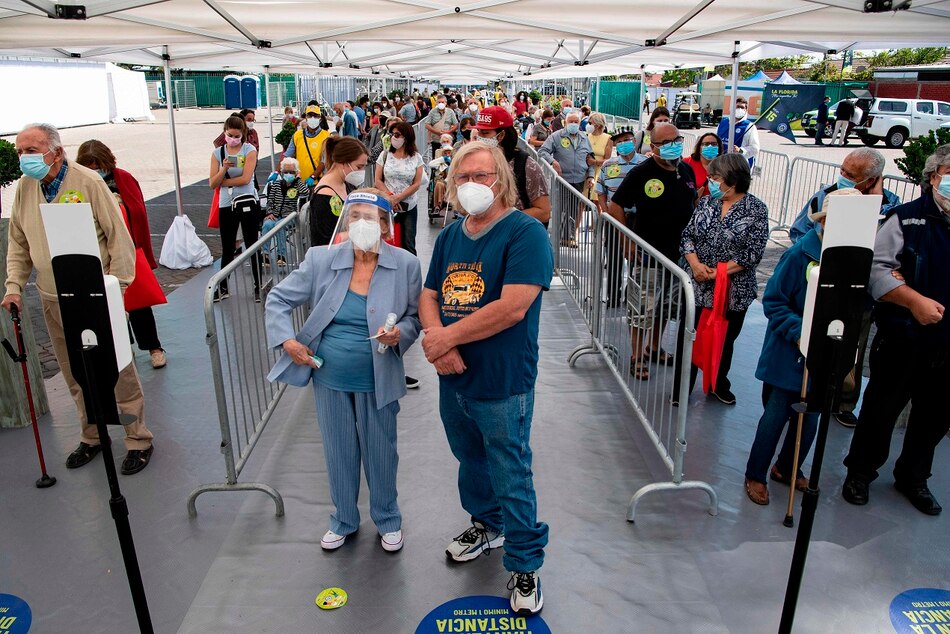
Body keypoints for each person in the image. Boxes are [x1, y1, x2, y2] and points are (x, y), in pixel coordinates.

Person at [419, 142, 553, 615]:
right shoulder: (453, 235)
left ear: (502, 180)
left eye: (482, 175)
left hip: (502, 379)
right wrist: (442, 343)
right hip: (453, 376)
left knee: (509, 467)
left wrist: (441, 338)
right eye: (462, 177)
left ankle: (524, 563)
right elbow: (429, 294)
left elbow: (512, 307)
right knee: (470, 458)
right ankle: (486, 524)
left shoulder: (525, 233)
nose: (471, 185)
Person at [265, 189, 422, 550]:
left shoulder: (406, 265)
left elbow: (415, 316)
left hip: (377, 375)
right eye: (355, 217)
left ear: (385, 225)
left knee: (382, 449)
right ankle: (343, 518)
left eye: (370, 218)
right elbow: (278, 299)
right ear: (345, 221)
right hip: (329, 375)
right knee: (338, 449)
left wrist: (401, 334)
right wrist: (287, 340)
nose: (361, 224)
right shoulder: (322, 259)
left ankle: (387, 518)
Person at [4, 123, 155, 474]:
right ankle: (92, 435)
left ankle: (137, 437)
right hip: (54, 298)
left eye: (31, 150)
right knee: (74, 371)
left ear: (56, 152)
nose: (24, 157)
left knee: (117, 368)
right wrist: (14, 286)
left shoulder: (88, 181)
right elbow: (18, 243)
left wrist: (116, 287)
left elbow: (119, 239)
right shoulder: (26, 188)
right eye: (20, 151)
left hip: (96, 295)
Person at [842, 144, 950, 517]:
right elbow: (875, 270)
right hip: (903, 338)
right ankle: (860, 472)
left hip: (946, 347)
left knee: (933, 418)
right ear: (933, 177)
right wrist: (911, 300)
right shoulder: (905, 219)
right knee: (880, 411)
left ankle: (914, 478)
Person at [743, 189, 861, 504]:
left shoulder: (852, 258)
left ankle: (787, 468)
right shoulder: (799, 255)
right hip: (788, 356)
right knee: (776, 416)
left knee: (809, 419)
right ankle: (756, 474)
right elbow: (774, 301)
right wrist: (800, 331)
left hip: (825, 355)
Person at [674, 153, 769, 406]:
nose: (711, 181)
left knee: (725, 339)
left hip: (733, 290)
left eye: (716, 178)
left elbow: (752, 252)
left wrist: (717, 273)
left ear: (733, 180)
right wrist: (695, 265)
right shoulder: (707, 204)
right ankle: (682, 386)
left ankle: (717, 383)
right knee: (689, 335)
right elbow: (688, 236)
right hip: (698, 285)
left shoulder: (756, 209)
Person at [608, 122, 696, 380]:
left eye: (676, 140)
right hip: (647, 255)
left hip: (679, 257)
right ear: (653, 146)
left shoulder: (686, 170)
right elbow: (616, 207)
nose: (673, 146)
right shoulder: (641, 173)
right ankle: (636, 357)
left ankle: (654, 347)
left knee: (667, 308)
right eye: (666, 143)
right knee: (641, 309)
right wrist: (628, 242)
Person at [75, 139, 167, 369]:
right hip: (98, 256)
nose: (96, 172)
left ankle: (154, 347)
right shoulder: (80, 184)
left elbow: (138, 212)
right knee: (111, 308)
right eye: (90, 167)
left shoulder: (123, 178)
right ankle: (124, 351)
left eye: (99, 166)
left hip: (127, 252)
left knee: (139, 303)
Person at [209, 114, 262, 302]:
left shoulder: (249, 150)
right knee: (228, 247)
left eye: (237, 136)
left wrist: (225, 181)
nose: (233, 139)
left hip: (247, 201)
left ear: (243, 135)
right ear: (224, 133)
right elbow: (212, 182)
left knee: (252, 243)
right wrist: (222, 169)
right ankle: (223, 287)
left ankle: (258, 285)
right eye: (230, 135)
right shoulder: (218, 153)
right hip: (226, 204)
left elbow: (246, 178)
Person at [472, 106, 551, 226]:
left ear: (501, 135)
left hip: (516, 238)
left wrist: (504, 219)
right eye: (479, 132)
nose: (480, 137)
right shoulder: (475, 162)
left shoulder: (526, 166)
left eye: (485, 133)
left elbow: (544, 212)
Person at [596, 127, 647, 306]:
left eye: (627, 139)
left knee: (636, 260)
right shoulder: (608, 165)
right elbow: (600, 191)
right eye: (619, 141)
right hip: (615, 220)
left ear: (634, 140)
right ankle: (613, 296)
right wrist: (606, 212)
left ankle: (631, 296)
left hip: (637, 218)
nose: (623, 143)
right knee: (614, 258)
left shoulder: (644, 163)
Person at [537, 111, 594, 245]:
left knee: (573, 210)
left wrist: (590, 176)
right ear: (565, 123)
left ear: (580, 123)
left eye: (576, 122)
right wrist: (553, 161)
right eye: (571, 121)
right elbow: (542, 151)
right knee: (560, 209)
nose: (573, 124)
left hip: (579, 179)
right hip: (562, 180)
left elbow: (590, 159)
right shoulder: (557, 136)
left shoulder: (584, 138)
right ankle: (554, 237)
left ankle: (568, 237)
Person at [374, 121, 425, 256]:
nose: (394, 138)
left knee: (408, 243)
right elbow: (377, 180)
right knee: (385, 240)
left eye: (397, 134)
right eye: (392, 134)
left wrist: (398, 198)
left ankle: (410, 274)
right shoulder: (384, 156)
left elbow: (416, 183)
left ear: (406, 137)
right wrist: (390, 197)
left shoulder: (416, 158)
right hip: (386, 205)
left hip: (409, 206)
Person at [309, 136, 368, 248]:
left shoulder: (346, 183)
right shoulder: (324, 195)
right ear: (343, 163)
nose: (362, 172)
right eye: (359, 167)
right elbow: (327, 239)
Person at [263, 157, 310, 267]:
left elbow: (306, 193)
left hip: (290, 217)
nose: (288, 174)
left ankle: (281, 256)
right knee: (267, 225)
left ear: (296, 172)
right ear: (282, 172)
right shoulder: (276, 184)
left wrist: (298, 179)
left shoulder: (298, 185)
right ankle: (265, 254)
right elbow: (270, 200)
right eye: (286, 172)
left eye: (292, 172)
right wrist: (269, 213)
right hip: (275, 215)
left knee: (280, 225)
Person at [285, 105, 331, 185]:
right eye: (310, 115)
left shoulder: (326, 136)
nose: (312, 118)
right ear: (306, 117)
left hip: (319, 182)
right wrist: (277, 172)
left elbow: (324, 161)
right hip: (300, 181)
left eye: (315, 116)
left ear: (320, 118)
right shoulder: (297, 135)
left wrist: (313, 177)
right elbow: (287, 156)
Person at [715, 97, 758, 167]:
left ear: (746, 110)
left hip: (739, 166)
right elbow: (714, 140)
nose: (740, 109)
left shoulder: (750, 126)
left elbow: (755, 148)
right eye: (737, 107)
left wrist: (740, 150)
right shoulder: (723, 123)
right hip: (722, 164)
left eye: (742, 107)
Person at [683, 132, 723, 197]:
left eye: (714, 144)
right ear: (699, 148)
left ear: (719, 147)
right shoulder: (687, 162)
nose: (710, 146)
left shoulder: (725, 165)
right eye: (706, 144)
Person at [585, 113, 612, 202]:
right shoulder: (587, 136)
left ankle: (597, 216)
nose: (588, 125)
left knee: (597, 201)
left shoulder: (608, 138)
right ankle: (579, 216)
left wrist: (594, 162)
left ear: (598, 125)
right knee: (582, 200)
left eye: (590, 123)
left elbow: (608, 160)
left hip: (600, 172)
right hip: (587, 170)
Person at [425, 94, 459, 159]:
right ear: (436, 103)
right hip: (436, 140)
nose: (441, 103)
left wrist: (448, 132)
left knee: (448, 158)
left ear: (446, 103)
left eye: (442, 102)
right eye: (439, 102)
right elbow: (427, 125)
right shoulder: (432, 112)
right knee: (436, 158)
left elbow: (456, 124)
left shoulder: (450, 112)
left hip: (447, 140)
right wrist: (437, 132)